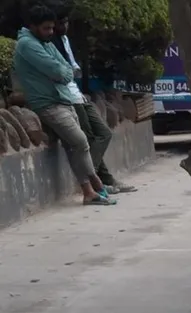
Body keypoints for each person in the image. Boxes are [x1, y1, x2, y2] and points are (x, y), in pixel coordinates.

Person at [13, 4, 114, 205]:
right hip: (48, 104)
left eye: (52, 27)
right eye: (46, 28)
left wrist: (64, 72)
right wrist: (64, 72)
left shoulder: (45, 43)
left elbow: (66, 69)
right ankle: (96, 183)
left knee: (73, 146)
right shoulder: (27, 44)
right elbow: (60, 71)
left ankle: (89, 192)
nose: (51, 32)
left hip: (63, 99)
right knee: (80, 141)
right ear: (33, 26)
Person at [52, 10, 136, 194]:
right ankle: (97, 181)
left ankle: (98, 178)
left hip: (77, 94)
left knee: (103, 133)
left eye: (66, 22)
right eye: (60, 23)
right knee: (88, 138)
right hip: (67, 98)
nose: (64, 26)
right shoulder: (50, 44)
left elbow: (72, 68)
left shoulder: (64, 40)